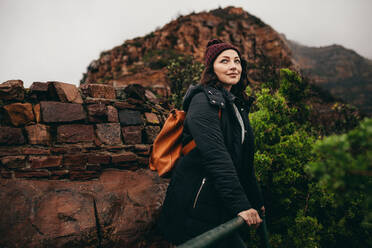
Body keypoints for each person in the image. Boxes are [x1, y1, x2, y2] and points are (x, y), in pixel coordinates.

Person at [158, 39, 265, 248]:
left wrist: (256, 201)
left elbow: (245, 163)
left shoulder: (237, 104)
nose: (233, 66)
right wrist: (242, 205)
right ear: (211, 68)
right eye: (224, 61)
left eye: (237, 61)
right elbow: (217, 157)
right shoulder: (202, 102)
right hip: (194, 206)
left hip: (219, 206)